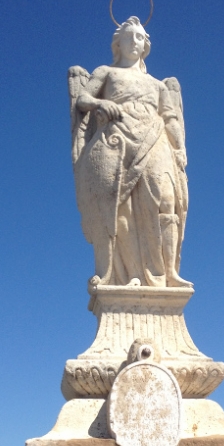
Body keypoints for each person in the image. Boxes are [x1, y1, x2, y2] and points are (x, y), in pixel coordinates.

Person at [69, 16, 191, 288]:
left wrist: (180, 147)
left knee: (166, 200)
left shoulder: (158, 85)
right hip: (117, 137)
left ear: (145, 44)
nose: (135, 41)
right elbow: (83, 99)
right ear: (118, 43)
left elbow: (171, 118)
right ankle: (132, 273)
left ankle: (168, 272)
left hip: (154, 137)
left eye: (139, 37)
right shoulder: (106, 72)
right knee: (120, 206)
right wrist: (100, 104)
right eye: (129, 36)